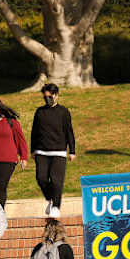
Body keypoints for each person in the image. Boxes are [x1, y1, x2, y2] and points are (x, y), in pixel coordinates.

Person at [30, 84, 76, 219]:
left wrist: (72, 150)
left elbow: (69, 132)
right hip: (41, 152)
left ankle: (56, 206)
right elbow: (34, 132)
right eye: (45, 97)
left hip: (59, 152)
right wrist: (33, 150)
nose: (47, 99)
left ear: (56, 95)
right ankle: (50, 198)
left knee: (57, 181)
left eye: (50, 96)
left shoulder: (63, 112)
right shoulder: (39, 112)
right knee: (41, 178)